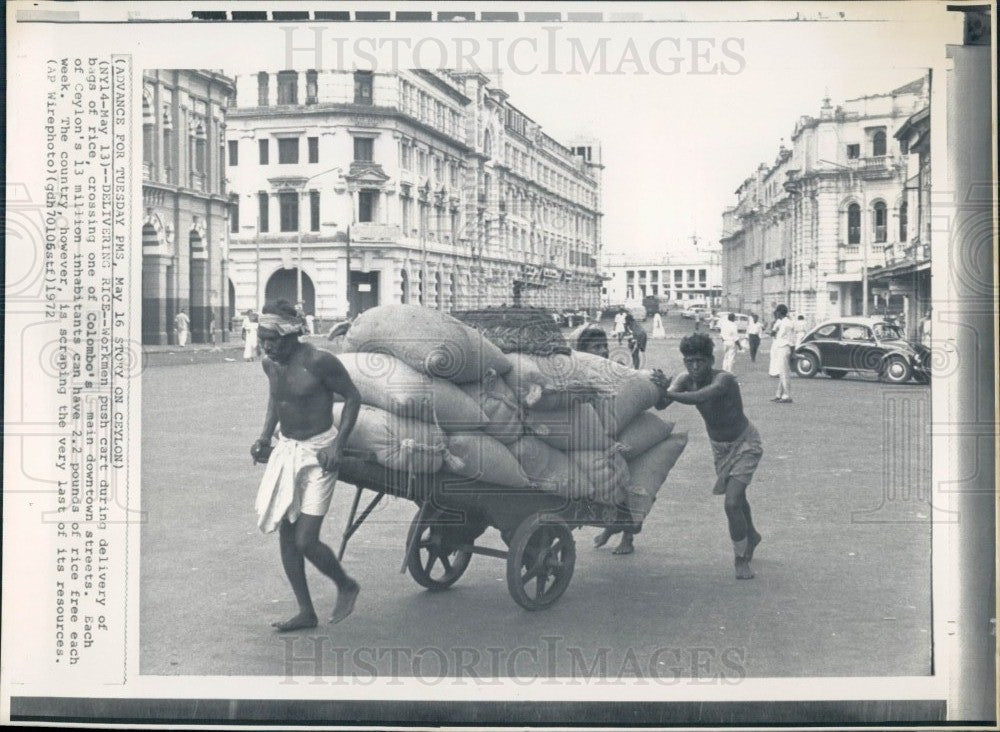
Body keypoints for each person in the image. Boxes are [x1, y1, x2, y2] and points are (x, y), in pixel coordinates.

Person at [251, 299, 363, 631]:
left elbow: (353, 397)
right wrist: (264, 437)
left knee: (306, 539)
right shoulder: (270, 364)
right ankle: (306, 612)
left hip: (318, 454)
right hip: (288, 451)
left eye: (273, 339)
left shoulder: (319, 362)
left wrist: (337, 445)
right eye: (263, 338)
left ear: (292, 335)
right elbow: (277, 398)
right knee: (287, 536)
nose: (267, 346)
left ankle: (346, 584)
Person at [653, 332, 763, 579]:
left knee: (732, 502)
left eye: (700, 361)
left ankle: (740, 559)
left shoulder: (724, 379)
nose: (694, 367)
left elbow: (699, 398)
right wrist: (659, 388)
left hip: (745, 443)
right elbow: (661, 405)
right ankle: (751, 536)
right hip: (720, 448)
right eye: (689, 361)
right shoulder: (685, 379)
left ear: (711, 360)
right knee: (739, 497)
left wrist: (667, 392)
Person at [575, 325, 638, 555]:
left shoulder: (613, 369)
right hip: (588, 429)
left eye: (604, 346)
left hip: (613, 430)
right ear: (583, 350)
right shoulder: (577, 367)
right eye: (596, 347)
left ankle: (628, 537)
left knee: (619, 481)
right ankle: (611, 528)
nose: (602, 351)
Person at [768, 305, 794, 403]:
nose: (776, 314)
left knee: (784, 373)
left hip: (784, 347)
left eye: (777, 312)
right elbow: (774, 332)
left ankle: (787, 395)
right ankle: (779, 394)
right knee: (782, 372)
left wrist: (793, 352)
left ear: (780, 312)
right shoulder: (782, 322)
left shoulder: (787, 323)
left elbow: (791, 339)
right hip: (780, 347)